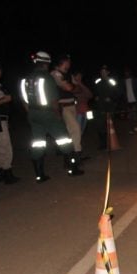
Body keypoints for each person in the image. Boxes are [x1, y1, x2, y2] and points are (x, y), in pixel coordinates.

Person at [19, 51, 84, 182]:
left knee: (38, 143)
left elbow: (23, 99)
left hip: (33, 113)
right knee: (65, 140)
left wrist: (31, 112)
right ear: (46, 63)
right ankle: (73, 168)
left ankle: (39, 175)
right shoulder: (47, 78)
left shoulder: (26, 79)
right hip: (48, 113)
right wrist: (58, 114)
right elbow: (54, 100)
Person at [50, 54, 84, 161]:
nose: (69, 64)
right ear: (63, 62)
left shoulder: (68, 75)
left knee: (70, 132)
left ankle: (69, 157)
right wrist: (72, 87)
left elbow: (78, 88)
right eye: (68, 61)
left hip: (72, 105)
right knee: (75, 129)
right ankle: (75, 155)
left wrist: (72, 87)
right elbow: (69, 87)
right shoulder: (55, 73)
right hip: (62, 106)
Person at [92, 64, 121, 150]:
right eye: (101, 72)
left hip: (109, 106)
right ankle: (102, 144)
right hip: (100, 106)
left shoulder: (112, 81)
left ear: (108, 72)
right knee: (100, 124)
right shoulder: (97, 81)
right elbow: (93, 91)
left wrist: (111, 98)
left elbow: (118, 92)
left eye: (104, 72)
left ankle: (111, 142)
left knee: (109, 124)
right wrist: (95, 97)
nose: (103, 73)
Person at [71, 70, 94, 137]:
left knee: (82, 130)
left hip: (85, 111)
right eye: (78, 76)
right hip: (77, 112)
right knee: (77, 129)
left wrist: (80, 84)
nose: (80, 78)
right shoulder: (70, 86)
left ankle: (78, 143)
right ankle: (76, 145)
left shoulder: (82, 85)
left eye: (81, 76)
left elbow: (90, 95)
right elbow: (77, 96)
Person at [122, 66, 137, 134]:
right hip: (128, 102)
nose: (127, 73)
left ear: (130, 73)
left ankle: (136, 129)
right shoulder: (123, 81)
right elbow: (122, 92)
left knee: (134, 116)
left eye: (128, 72)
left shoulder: (135, 80)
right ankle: (132, 129)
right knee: (129, 117)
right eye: (126, 72)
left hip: (135, 101)